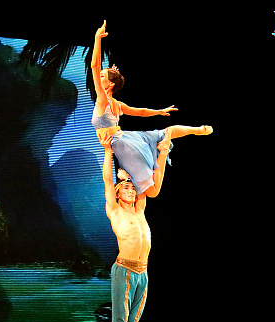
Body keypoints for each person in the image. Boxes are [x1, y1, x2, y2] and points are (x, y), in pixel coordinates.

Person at [91, 20, 213, 198]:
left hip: (123, 145)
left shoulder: (103, 100)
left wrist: (97, 38)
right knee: (165, 132)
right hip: (125, 139)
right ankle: (198, 130)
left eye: (102, 76)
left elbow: (94, 65)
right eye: (100, 75)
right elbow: (140, 112)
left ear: (109, 85)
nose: (98, 76)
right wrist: (158, 111)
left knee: (152, 192)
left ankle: (163, 153)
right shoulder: (117, 104)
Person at [99, 129, 170, 322]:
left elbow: (151, 181)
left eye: (132, 188)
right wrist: (108, 151)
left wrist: (161, 155)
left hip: (143, 271)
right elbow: (108, 180)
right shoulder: (115, 211)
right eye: (126, 188)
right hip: (125, 270)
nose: (130, 190)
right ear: (118, 193)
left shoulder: (140, 210)